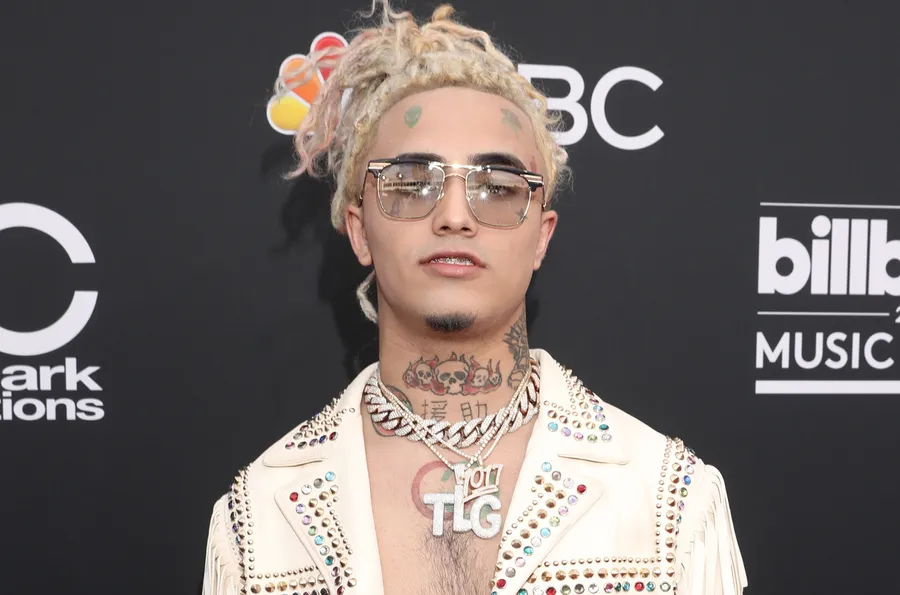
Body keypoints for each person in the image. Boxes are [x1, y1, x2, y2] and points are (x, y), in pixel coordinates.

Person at [201, 3, 748, 595]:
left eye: (498, 187)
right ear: (359, 231)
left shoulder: (667, 499)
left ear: (542, 237)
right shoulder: (260, 513)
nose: (455, 215)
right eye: (413, 184)